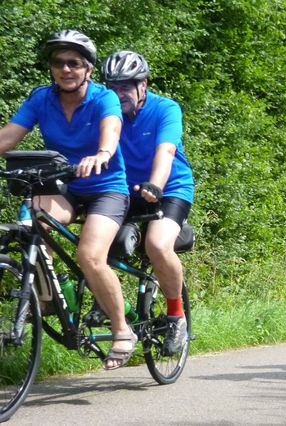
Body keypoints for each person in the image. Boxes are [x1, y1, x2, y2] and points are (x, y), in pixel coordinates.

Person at [0, 30, 134, 370]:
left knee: (89, 256)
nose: (66, 69)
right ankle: (47, 297)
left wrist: (102, 154)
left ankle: (122, 329)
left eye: (74, 63)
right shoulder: (41, 99)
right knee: (29, 225)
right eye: (58, 63)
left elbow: (111, 134)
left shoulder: (104, 99)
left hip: (106, 186)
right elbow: (10, 136)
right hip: (63, 185)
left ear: (87, 68)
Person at [102, 50, 195, 355]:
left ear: (143, 85)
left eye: (126, 86)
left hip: (169, 189)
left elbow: (165, 152)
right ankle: (117, 308)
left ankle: (175, 316)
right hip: (124, 190)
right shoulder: (105, 111)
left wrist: (155, 183)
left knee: (156, 245)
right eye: (113, 87)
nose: (119, 94)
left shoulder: (165, 109)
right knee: (95, 246)